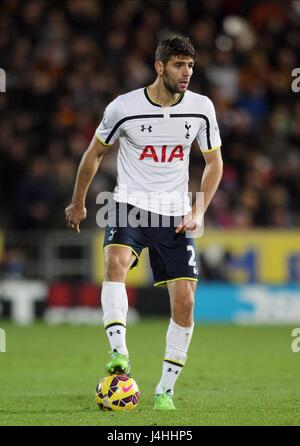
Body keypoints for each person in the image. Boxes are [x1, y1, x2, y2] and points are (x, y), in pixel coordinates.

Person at [65, 36, 223, 410]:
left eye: (190, 66)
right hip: (129, 205)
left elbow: (214, 163)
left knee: (184, 303)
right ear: (160, 67)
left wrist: (198, 210)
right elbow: (94, 153)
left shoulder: (201, 108)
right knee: (115, 264)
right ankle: (119, 356)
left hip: (174, 214)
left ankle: (164, 390)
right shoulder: (124, 108)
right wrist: (78, 201)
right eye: (179, 65)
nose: (186, 73)